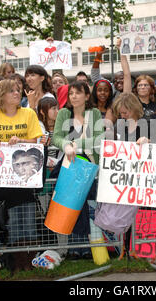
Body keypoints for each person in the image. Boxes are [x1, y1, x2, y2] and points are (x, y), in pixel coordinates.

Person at [0, 78, 43, 246]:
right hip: (2, 179)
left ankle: (28, 256)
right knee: (11, 220)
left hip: (24, 176)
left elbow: (35, 142)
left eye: (18, 90)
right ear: (1, 95)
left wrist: (20, 140)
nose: (17, 93)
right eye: (12, 90)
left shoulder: (29, 114)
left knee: (27, 218)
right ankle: (14, 258)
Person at [52, 81, 104, 258]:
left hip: (90, 167)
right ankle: (75, 249)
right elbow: (56, 137)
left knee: (90, 206)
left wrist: (76, 143)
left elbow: (99, 139)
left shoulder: (94, 113)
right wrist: (66, 145)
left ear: (87, 96)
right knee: (72, 207)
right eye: (71, 93)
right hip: (70, 166)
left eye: (78, 93)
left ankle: (93, 248)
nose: (73, 96)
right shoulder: (63, 113)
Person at [107, 92, 150, 259]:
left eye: (125, 112)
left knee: (142, 213)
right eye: (121, 113)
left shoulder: (149, 122)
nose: (123, 115)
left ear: (134, 108)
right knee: (126, 215)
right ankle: (125, 249)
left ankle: (140, 248)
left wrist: (148, 141)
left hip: (145, 174)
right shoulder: (120, 125)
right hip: (126, 176)